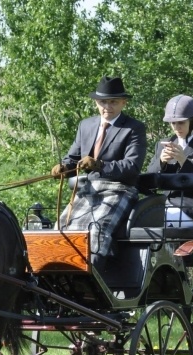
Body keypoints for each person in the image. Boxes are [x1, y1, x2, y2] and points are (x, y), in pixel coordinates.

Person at [51, 76, 147, 268]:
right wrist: (63, 167)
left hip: (119, 189)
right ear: (96, 102)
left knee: (95, 231)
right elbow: (73, 159)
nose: (107, 107)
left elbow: (131, 167)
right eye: (103, 102)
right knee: (59, 230)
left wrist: (99, 165)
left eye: (113, 102)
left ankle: (93, 284)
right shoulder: (85, 126)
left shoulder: (134, 128)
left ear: (123, 103)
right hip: (87, 190)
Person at [146, 94, 193, 227]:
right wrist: (161, 162)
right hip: (161, 204)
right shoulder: (163, 144)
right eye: (173, 123)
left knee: (161, 220)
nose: (176, 128)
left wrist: (184, 161)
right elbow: (149, 180)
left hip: (191, 207)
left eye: (181, 122)